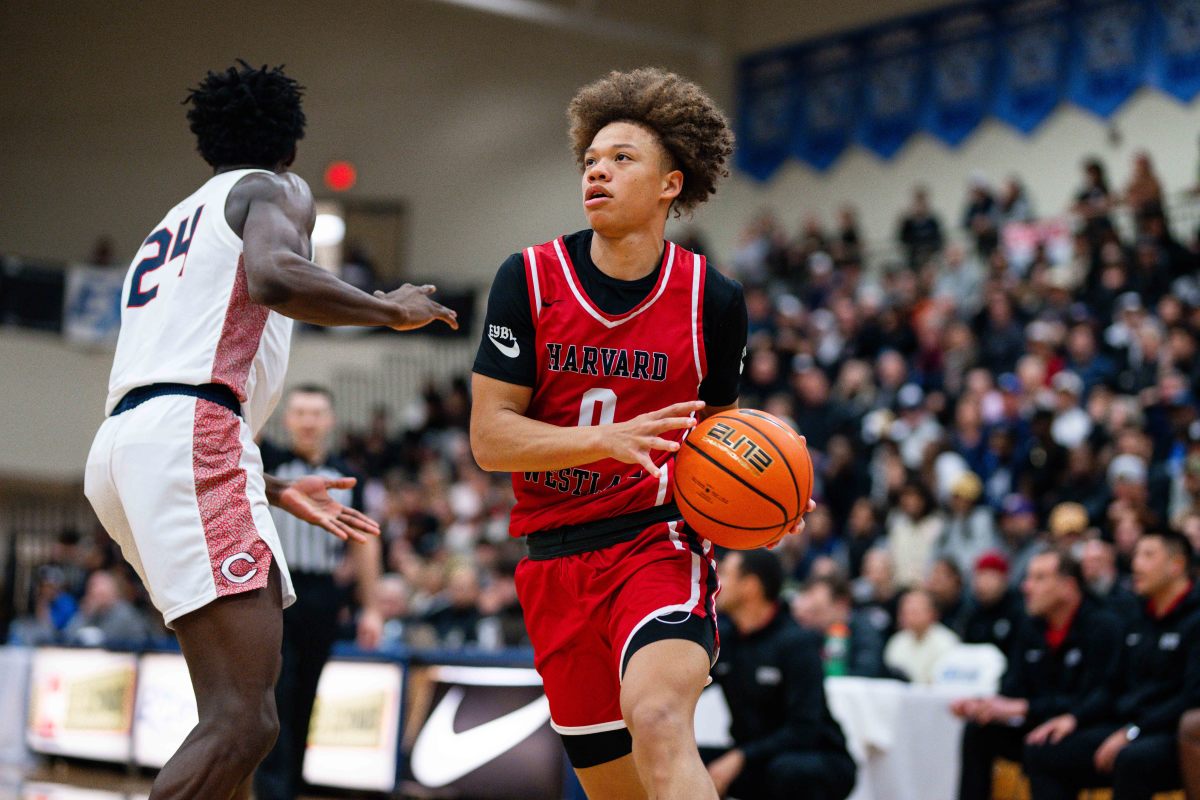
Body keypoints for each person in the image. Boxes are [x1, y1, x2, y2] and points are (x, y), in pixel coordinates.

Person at [83, 61, 456, 800]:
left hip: (126, 449)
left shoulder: (171, 224)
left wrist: (272, 486)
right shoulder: (275, 188)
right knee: (245, 723)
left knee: (230, 720)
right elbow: (275, 276)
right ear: (290, 144)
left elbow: (175, 378)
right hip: (191, 433)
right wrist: (387, 307)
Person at [469, 68, 805, 799]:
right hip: (552, 561)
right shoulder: (526, 279)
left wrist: (775, 495)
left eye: (622, 157)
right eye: (591, 157)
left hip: (656, 544)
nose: (598, 168)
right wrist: (606, 439)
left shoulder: (713, 300)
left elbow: (720, 441)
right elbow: (490, 439)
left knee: (657, 715)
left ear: (669, 185)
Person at [253, 385, 383, 800]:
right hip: (272, 591)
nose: (309, 421)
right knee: (278, 691)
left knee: (308, 692)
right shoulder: (265, 461)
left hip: (324, 595)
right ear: (287, 419)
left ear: (330, 421)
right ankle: (272, 789)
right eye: (301, 413)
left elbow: (365, 541)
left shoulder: (347, 475)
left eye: (317, 413)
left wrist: (373, 608)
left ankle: (292, 782)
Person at [1023, 531, 1200, 800]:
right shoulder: (1134, 616)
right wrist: (1075, 718)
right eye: (1137, 554)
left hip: (1170, 733)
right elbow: (1111, 684)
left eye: (1148, 555)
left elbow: (1190, 699)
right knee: (1043, 751)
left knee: (1131, 759)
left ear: (1176, 565)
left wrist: (1132, 732)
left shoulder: (1195, 619)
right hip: (1126, 725)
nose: (1136, 564)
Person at [952, 550, 1121, 800]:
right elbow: (1013, 685)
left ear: (1068, 586)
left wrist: (1024, 708)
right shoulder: (1030, 624)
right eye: (1029, 577)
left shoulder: (1103, 625)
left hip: (1086, 725)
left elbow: (1098, 698)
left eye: (1039, 578)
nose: (1026, 586)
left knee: (1042, 749)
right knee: (979, 730)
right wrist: (986, 705)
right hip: (1040, 719)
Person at [710, 551, 856, 800]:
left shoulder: (796, 642)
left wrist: (740, 756)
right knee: (681, 761)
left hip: (817, 757)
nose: (716, 582)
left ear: (751, 586)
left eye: (725, 574)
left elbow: (803, 730)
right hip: (754, 758)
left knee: (785, 771)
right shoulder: (724, 640)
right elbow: (682, 689)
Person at [792, 574, 887, 678]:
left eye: (819, 610)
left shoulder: (865, 633)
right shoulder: (811, 632)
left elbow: (866, 672)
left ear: (841, 604)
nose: (813, 618)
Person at [883, 588, 961, 684]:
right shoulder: (897, 641)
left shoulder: (947, 642)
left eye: (914, 612)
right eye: (905, 612)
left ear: (931, 613)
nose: (908, 616)